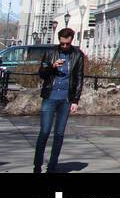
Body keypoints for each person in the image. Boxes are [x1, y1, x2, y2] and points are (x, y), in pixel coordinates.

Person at [34, 28, 84, 173]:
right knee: (44, 132)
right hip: (50, 97)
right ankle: (37, 166)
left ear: (71, 41)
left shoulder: (77, 55)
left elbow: (79, 78)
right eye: (62, 44)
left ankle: (52, 166)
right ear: (59, 40)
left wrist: (75, 100)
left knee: (59, 134)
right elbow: (42, 74)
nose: (65, 47)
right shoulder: (50, 53)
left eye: (67, 44)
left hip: (66, 98)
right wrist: (52, 66)